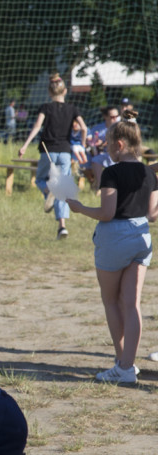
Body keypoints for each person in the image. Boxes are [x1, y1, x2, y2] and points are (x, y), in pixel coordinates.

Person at [67, 120, 157, 384]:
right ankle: (127, 365)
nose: (106, 149)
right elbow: (152, 214)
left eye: (107, 144)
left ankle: (123, 365)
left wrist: (80, 207)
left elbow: (106, 213)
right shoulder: (150, 174)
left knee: (111, 301)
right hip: (141, 238)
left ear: (119, 145)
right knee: (132, 304)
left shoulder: (111, 172)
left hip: (115, 238)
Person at [18, 73, 87, 240]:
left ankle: (49, 191)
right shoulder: (73, 109)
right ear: (65, 91)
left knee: (40, 180)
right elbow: (84, 128)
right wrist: (82, 148)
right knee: (62, 190)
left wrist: (25, 145)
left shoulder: (45, 108)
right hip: (65, 151)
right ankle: (62, 227)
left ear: (49, 93)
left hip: (47, 151)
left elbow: (36, 127)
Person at [88, 106, 122, 189]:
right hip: (102, 153)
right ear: (105, 117)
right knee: (95, 160)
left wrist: (104, 143)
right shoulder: (98, 128)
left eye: (117, 116)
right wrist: (95, 143)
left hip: (117, 153)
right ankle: (100, 185)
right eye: (112, 117)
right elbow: (90, 141)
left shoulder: (121, 127)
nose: (115, 119)